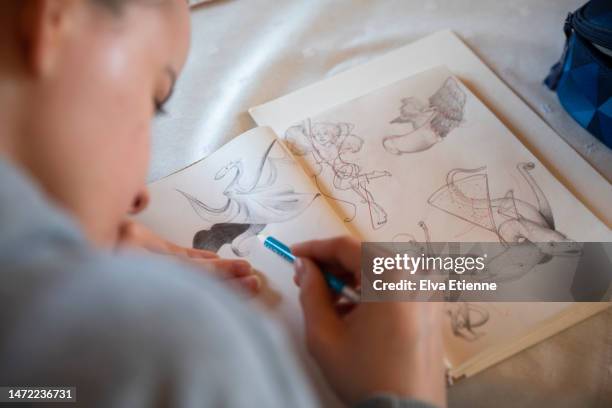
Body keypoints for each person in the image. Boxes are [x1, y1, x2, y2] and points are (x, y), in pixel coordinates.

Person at [0, 1, 446, 407]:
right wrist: (406, 395)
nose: (140, 195)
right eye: (154, 100)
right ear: (57, 17)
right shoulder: (165, 344)